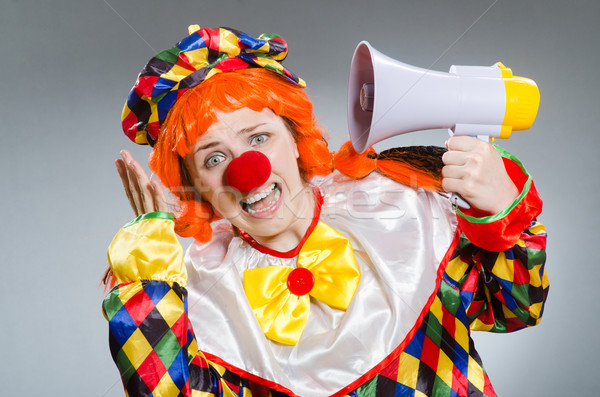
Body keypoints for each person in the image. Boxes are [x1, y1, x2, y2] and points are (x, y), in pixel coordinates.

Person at [103, 26, 548, 397]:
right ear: (197, 187)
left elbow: (516, 309)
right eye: (213, 159)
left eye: (259, 138)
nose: (246, 170)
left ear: (297, 140)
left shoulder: (397, 206)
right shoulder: (198, 291)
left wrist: (500, 209)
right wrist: (150, 278)